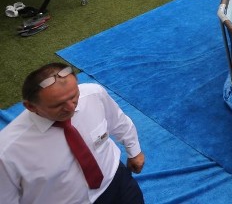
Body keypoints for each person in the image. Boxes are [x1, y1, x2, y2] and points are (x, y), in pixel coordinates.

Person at [0, 63, 145, 204]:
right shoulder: (7, 151)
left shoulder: (93, 94)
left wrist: (134, 151)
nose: (71, 107)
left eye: (74, 96)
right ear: (30, 106)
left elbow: (119, 121)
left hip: (117, 184)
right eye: (58, 104)